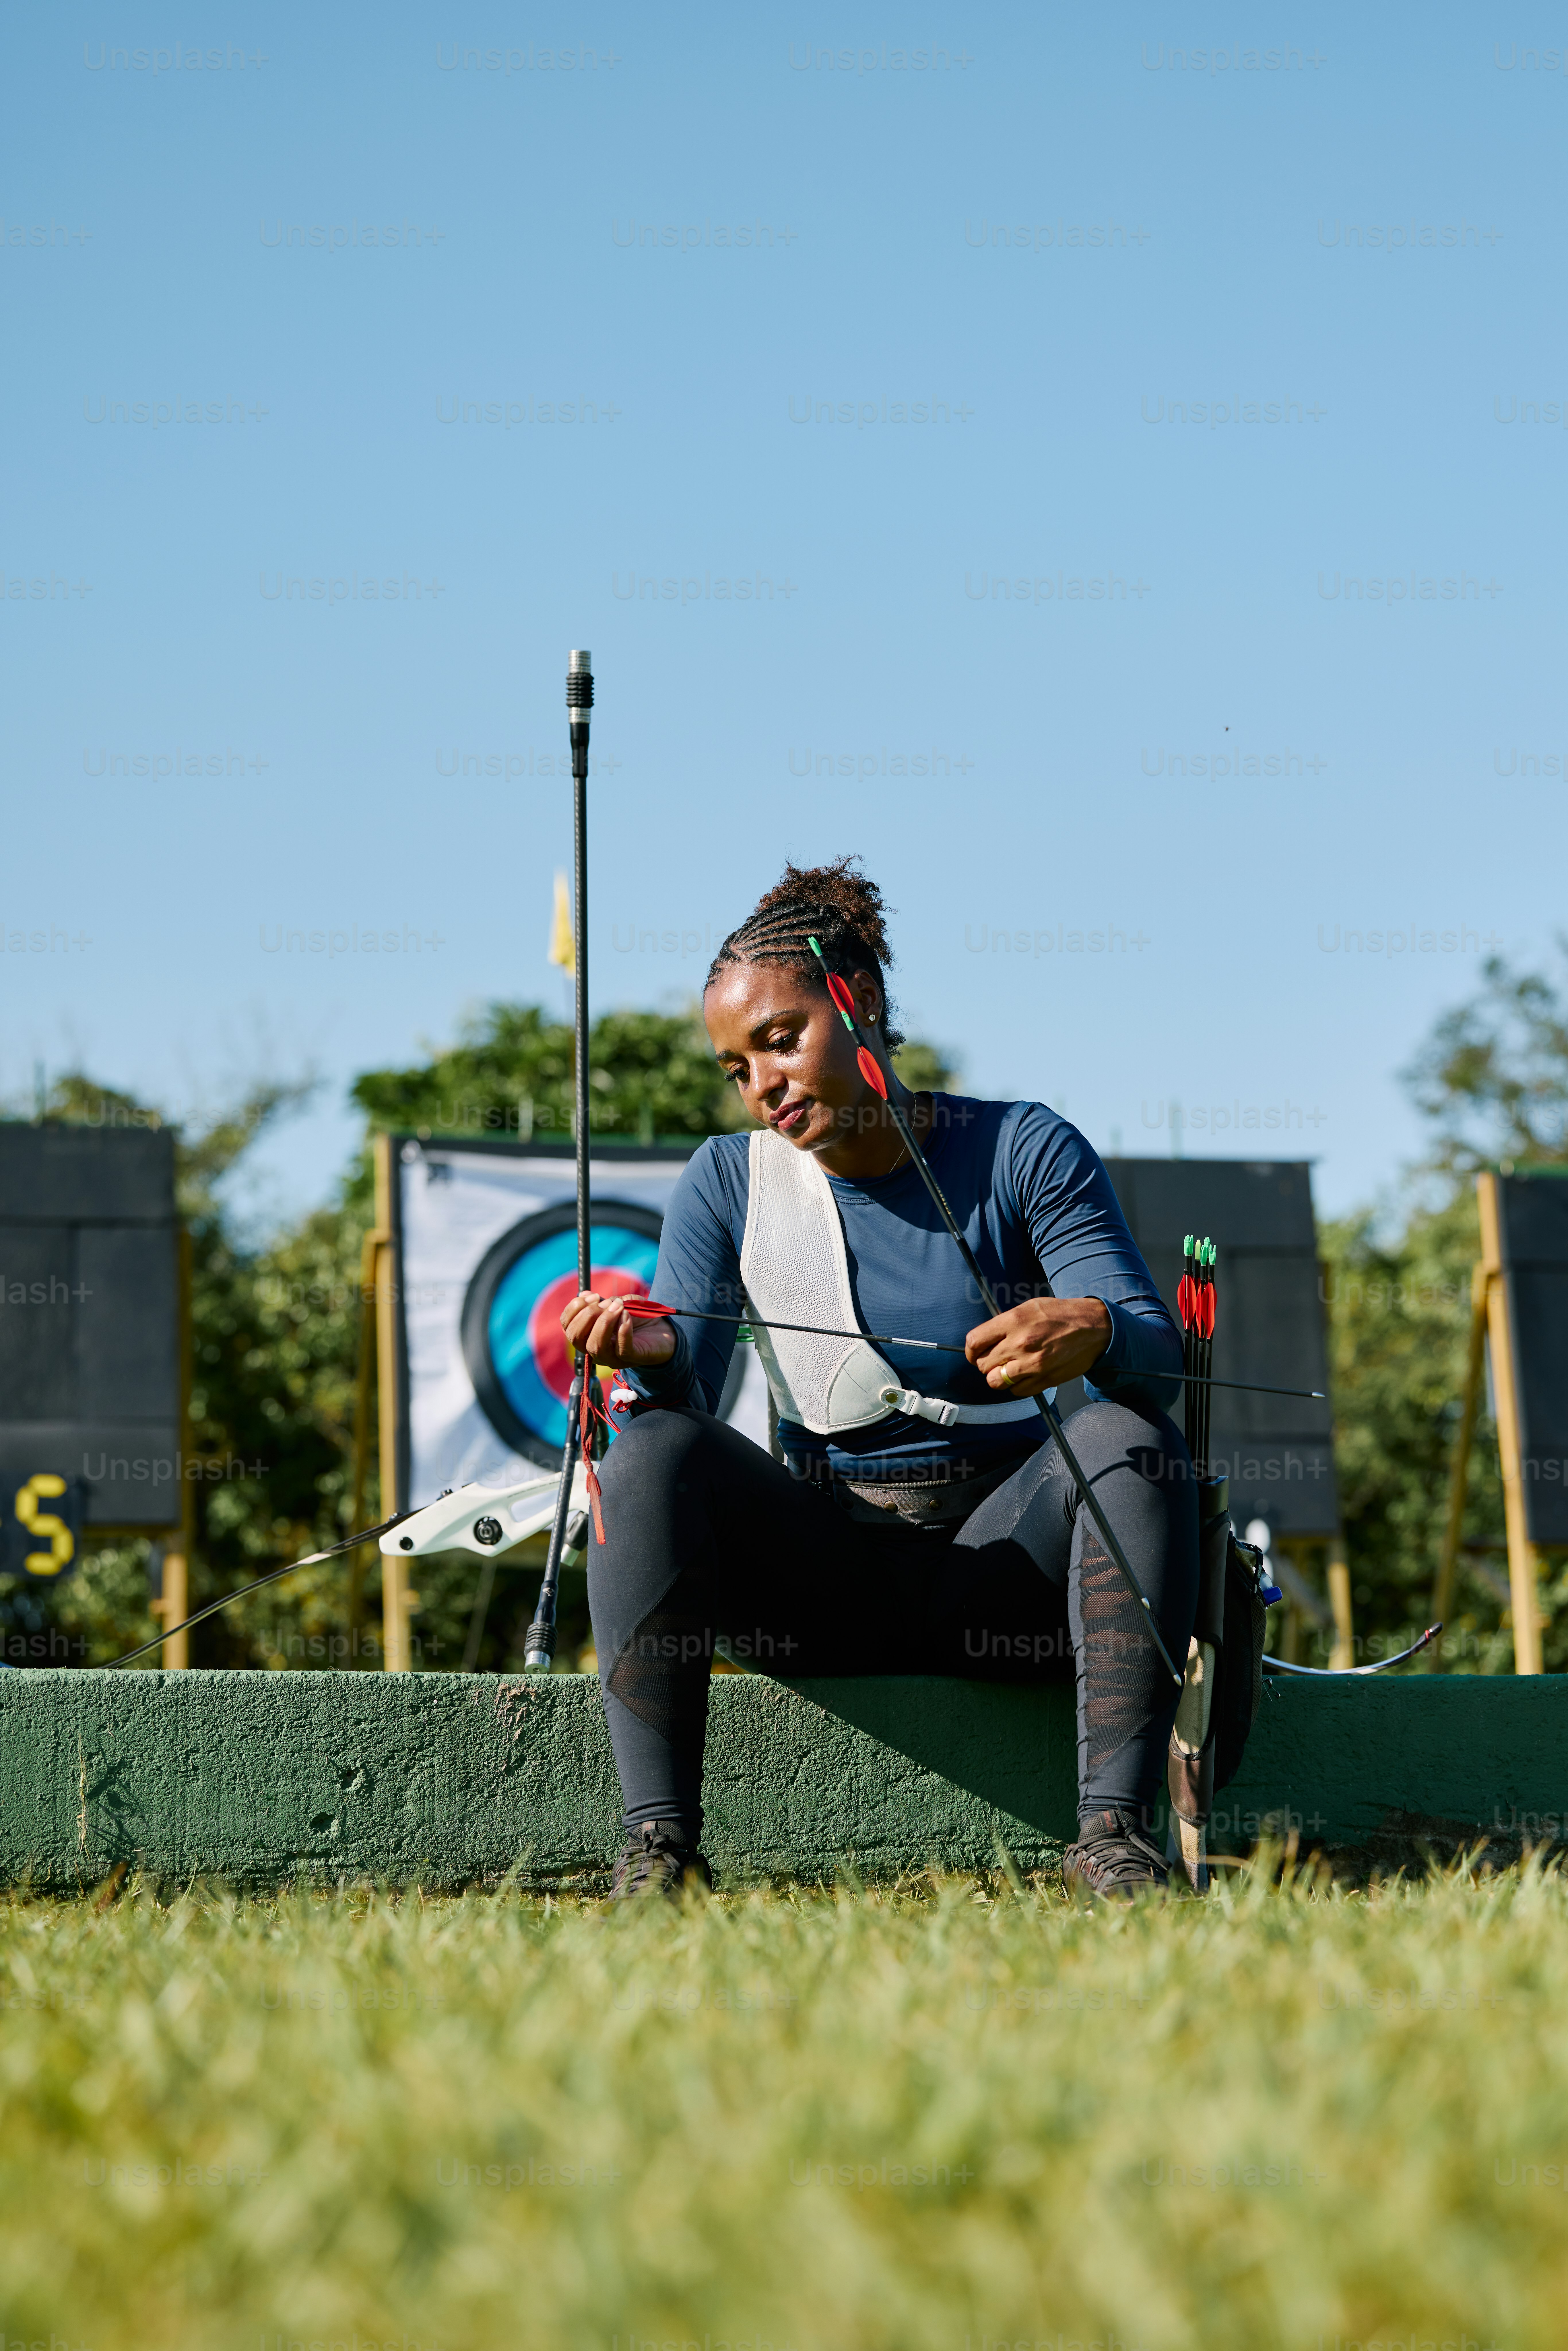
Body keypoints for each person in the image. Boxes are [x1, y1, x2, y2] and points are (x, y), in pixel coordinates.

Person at [560, 858, 1198, 1902]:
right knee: (650, 1452)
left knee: (1128, 1440)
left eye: (781, 1040)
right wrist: (653, 1354)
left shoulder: (1022, 1149)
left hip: (1012, 1580)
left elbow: (1156, 1359)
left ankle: (1115, 1841)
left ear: (855, 1007)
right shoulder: (729, 1180)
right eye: (736, 1066)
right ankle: (658, 1852)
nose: (762, 1083)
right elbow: (684, 1406)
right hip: (822, 1589)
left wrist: (1093, 1331)